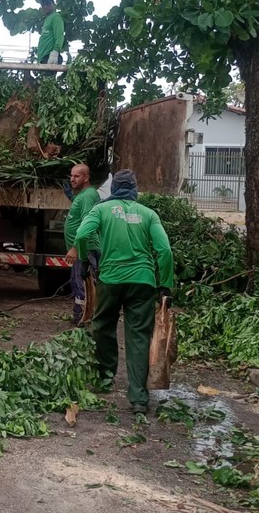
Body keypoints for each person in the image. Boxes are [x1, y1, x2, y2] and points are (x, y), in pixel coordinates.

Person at [75, 170, 173, 414]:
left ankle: (106, 377)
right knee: (139, 335)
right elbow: (165, 251)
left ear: (114, 189)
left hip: (111, 279)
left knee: (103, 325)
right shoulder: (149, 214)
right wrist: (166, 285)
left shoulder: (101, 210)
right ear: (135, 188)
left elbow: (81, 234)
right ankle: (139, 397)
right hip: (143, 282)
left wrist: (86, 262)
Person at [63, 164, 100, 326]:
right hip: (83, 248)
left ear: (86, 178)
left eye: (76, 176)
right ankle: (81, 315)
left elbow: (87, 224)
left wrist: (75, 247)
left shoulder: (87, 196)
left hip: (85, 248)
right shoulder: (84, 195)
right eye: (71, 176)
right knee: (78, 282)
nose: (72, 179)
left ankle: (83, 318)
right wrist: (72, 197)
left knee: (83, 283)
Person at [36, 0, 64, 65]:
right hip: (43, 58)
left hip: (50, 57)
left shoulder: (56, 17)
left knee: (48, 77)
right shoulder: (47, 19)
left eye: (47, 3)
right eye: (43, 4)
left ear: (53, 4)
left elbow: (59, 36)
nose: (45, 6)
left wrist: (55, 52)